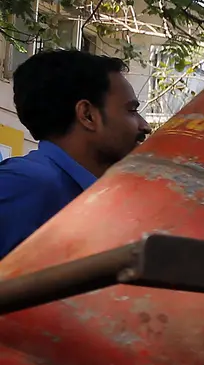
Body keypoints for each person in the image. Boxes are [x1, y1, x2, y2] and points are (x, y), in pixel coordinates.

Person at [0, 49, 150, 258]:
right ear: (87, 115)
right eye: (131, 110)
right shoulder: (24, 185)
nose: (145, 126)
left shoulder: (87, 195)